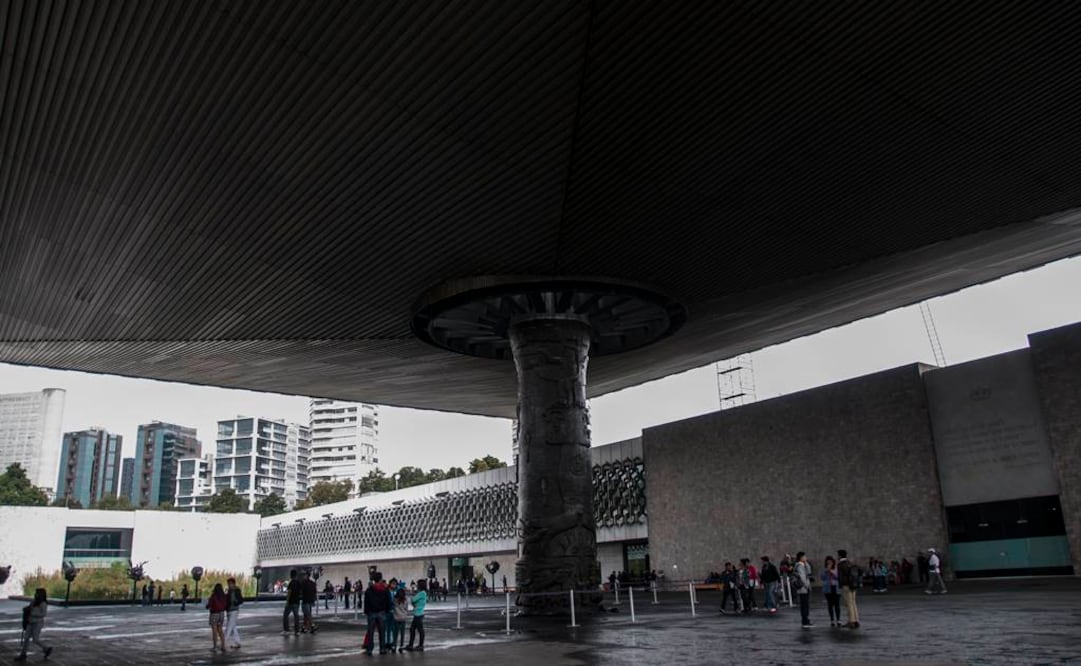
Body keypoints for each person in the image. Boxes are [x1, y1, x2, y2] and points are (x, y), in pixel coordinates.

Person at [15, 588, 52, 661]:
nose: (36, 594)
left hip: (37, 623)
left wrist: (32, 613)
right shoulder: (34, 602)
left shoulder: (43, 603)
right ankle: (23, 654)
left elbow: (43, 614)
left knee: (35, 639)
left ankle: (46, 648)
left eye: (37, 593)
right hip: (30, 622)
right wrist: (26, 609)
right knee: (26, 638)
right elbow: (30, 608)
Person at [363, 574, 389, 655]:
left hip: (371, 613)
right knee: (382, 632)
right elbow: (388, 601)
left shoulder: (369, 590)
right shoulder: (384, 590)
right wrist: (386, 610)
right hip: (382, 612)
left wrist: (367, 611)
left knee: (371, 632)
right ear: (380, 579)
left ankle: (370, 649)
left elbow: (366, 602)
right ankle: (382, 648)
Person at [837, 549, 860, 629]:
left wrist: (840, 585)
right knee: (853, 602)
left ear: (840, 555)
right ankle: (856, 620)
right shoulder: (849, 563)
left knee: (848, 603)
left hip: (846, 585)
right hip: (853, 584)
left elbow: (840, 576)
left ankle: (851, 621)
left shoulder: (841, 564)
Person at [404, 579, 427, 652]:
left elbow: (413, 600)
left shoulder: (422, 593)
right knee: (412, 629)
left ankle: (420, 645)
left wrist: (413, 597)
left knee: (419, 630)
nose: (416, 586)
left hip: (418, 614)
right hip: (418, 613)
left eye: (417, 584)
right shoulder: (422, 593)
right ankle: (411, 645)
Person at [820, 556, 841, 627]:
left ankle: (838, 620)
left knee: (837, 604)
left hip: (836, 587)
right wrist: (826, 571)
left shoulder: (836, 568)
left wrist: (832, 572)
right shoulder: (824, 569)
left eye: (831, 562)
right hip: (827, 588)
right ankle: (832, 620)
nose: (829, 563)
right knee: (830, 605)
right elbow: (822, 578)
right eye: (828, 562)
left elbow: (838, 577)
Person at [207, 583, 228, 652]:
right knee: (220, 630)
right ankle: (223, 645)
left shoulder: (214, 596)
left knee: (215, 631)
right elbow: (225, 604)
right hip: (221, 614)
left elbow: (209, 605)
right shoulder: (224, 596)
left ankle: (215, 647)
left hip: (214, 614)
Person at [794, 551, 813, 628]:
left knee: (805, 605)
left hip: (805, 587)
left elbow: (809, 571)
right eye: (804, 557)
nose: (806, 558)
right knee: (804, 605)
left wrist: (806, 563)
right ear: (801, 557)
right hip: (803, 588)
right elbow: (802, 577)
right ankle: (805, 621)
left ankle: (806, 620)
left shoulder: (803, 565)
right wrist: (807, 586)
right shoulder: (799, 566)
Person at [225, 577, 244, 649]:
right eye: (228, 584)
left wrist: (236, 602)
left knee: (229, 627)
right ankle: (237, 642)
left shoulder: (236, 590)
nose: (229, 585)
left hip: (234, 610)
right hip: (229, 610)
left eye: (230, 584)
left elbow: (241, 600)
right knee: (233, 627)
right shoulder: (229, 591)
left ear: (233, 583)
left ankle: (223, 642)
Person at [283, 569, 301, 635]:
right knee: (296, 616)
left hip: (291, 602)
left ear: (291, 575)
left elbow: (289, 592)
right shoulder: (298, 583)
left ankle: (286, 630)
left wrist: (287, 601)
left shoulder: (291, 583)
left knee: (285, 615)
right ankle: (297, 631)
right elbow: (300, 592)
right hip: (297, 602)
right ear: (296, 575)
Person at [391, 588, 409, 652]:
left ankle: (394, 645)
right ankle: (401, 645)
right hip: (403, 618)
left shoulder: (394, 600)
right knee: (402, 633)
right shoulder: (405, 600)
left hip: (396, 618)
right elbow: (406, 608)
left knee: (395, 633)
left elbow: (392, 607)